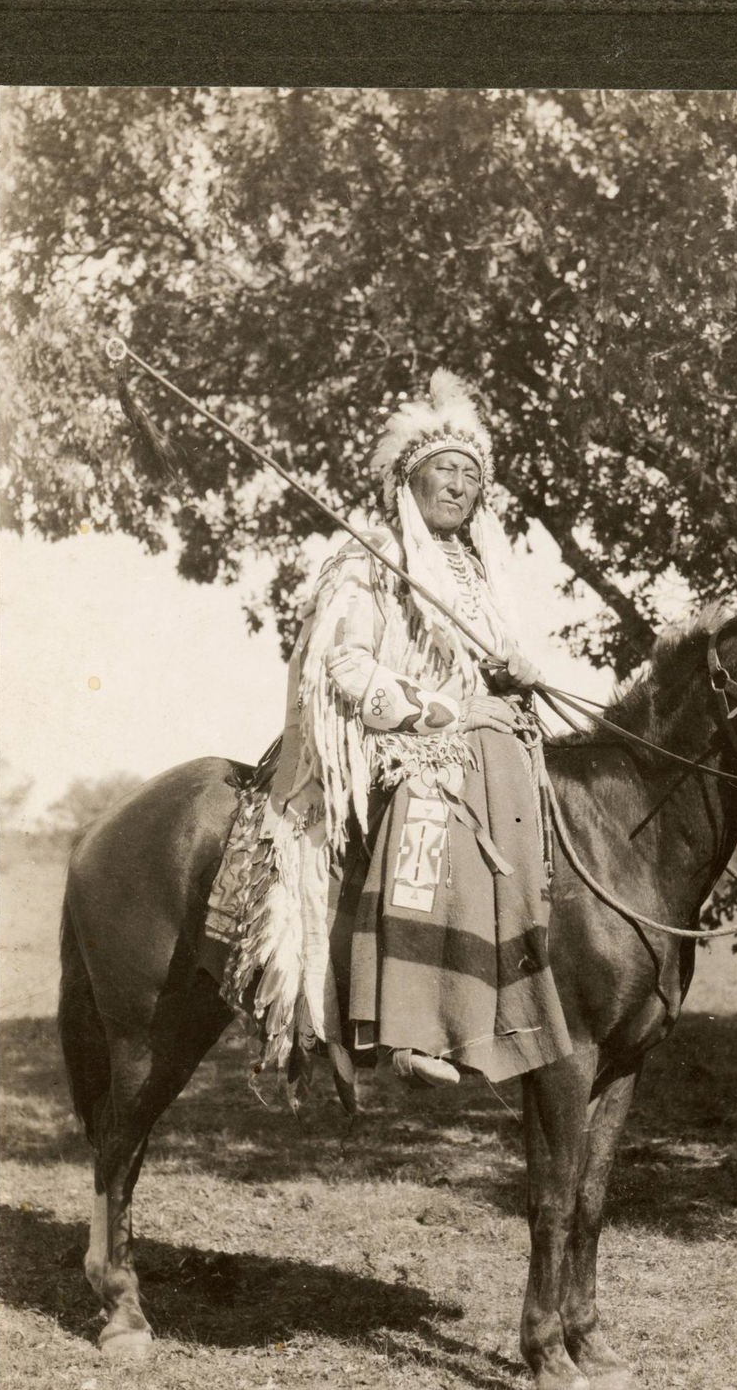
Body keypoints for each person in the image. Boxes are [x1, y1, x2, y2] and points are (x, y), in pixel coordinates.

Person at [207, 370, 572, 1095]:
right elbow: (343, 663)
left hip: (478, 735)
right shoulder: (372, 558)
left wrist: (510, 674)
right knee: (433, 795)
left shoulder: (477, 574)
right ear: (410, 480)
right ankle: (411, 1024)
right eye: (446, 470)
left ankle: (509, 1002)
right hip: (385, 738)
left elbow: (482, 669)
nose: (460, 486)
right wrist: (437, 710)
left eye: (473, 476)